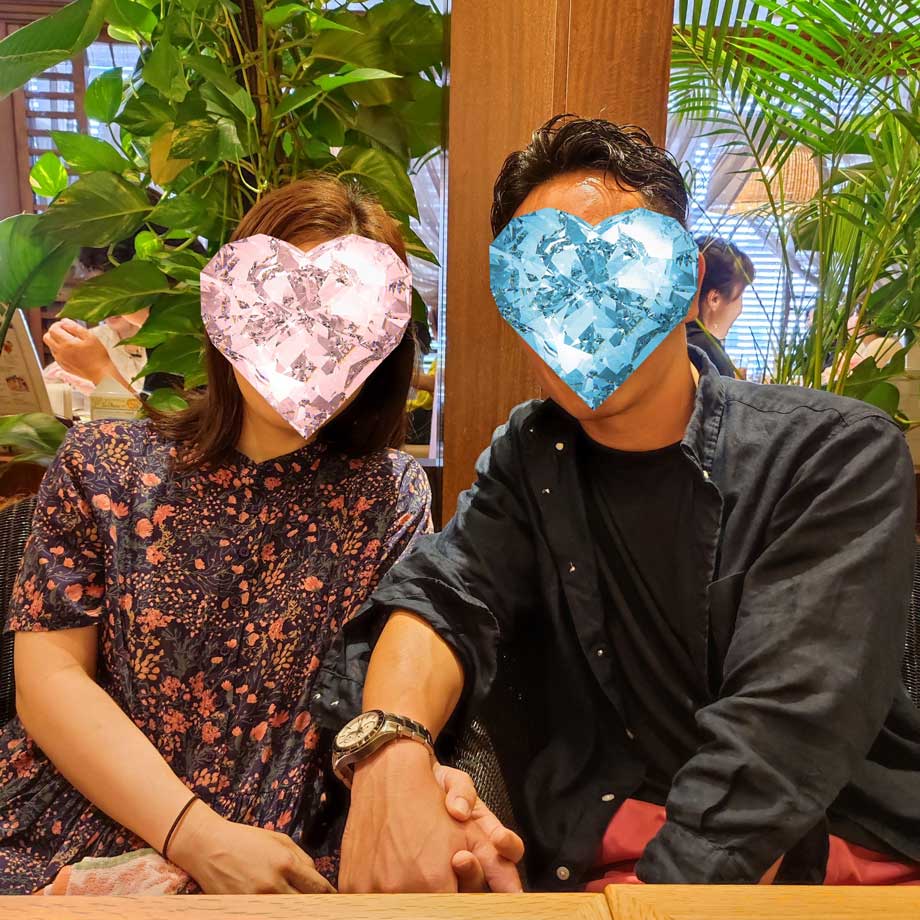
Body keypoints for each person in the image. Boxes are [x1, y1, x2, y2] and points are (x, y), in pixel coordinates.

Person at [318, 116, 920, 890]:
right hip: (600, 868)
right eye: (545, 282)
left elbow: (781, 743)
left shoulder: (830, 453)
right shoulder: (533, 455)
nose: (582, 313)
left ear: (687, 284)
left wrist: (653, 900)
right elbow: (442, 597)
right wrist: (390, 758)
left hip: (826, 864)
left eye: (623, 272)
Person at [0, 175, 519, 895]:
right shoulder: (103, 464)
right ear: (226, 308)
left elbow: (387, 680)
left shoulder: (388, 495)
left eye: (340, 321)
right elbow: (50, 680)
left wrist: (416, 777)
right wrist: (196, 836)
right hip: (84, 829)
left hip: (293, 851)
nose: (302, 345)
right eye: (275, 309)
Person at [684, 236, 754, 378]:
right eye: (739, 296)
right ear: (714, 299)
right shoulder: (707, 355)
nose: (740, 308)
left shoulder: (674, 339)